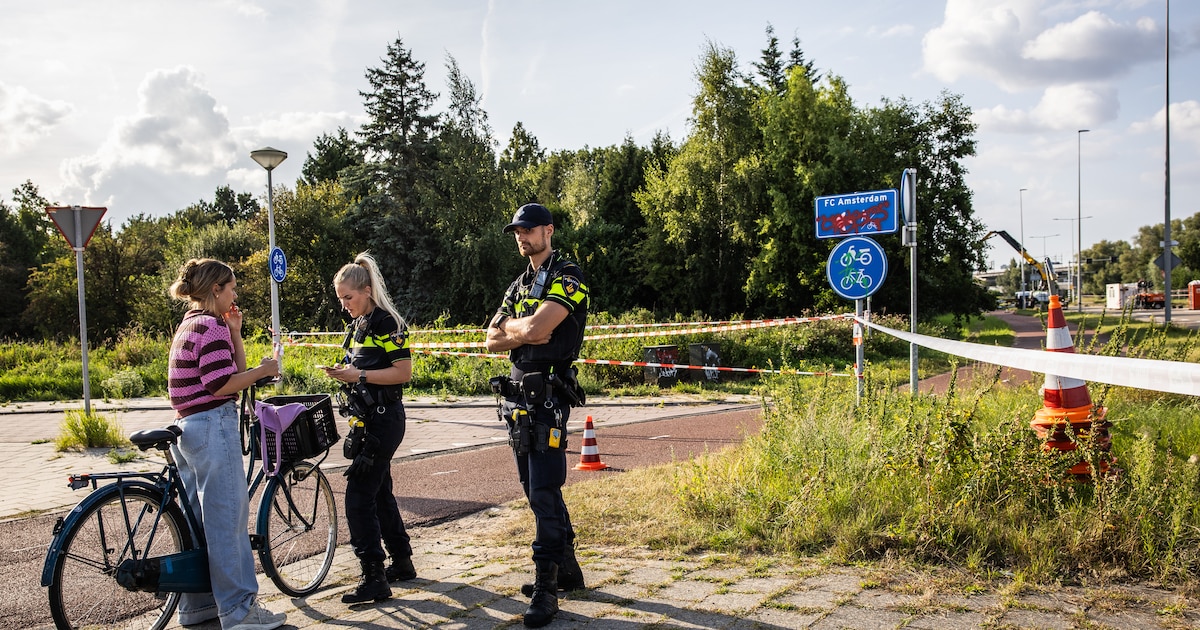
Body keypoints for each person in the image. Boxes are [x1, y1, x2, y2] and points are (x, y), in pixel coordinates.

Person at [166, 259, 286, 630]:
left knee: (196, 522)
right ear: (216, 289)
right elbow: (222, 386)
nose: (235, 294)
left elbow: (231, 372)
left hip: (186, 429)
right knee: (228, 520)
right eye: (231, 287)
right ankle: (238, 610)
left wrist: (235, 331)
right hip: (212, 426)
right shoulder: (209, 326)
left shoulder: (191, 324)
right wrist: (267, 370)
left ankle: (198, 607)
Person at [485, 202, 589, 628]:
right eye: (516, 231)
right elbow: (491, 338)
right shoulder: (520, 283)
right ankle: (567, 568)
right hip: (516, 401)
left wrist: (518, 327)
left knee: (544, 490)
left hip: (547, 397)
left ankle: (547, 587)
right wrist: (520, 326)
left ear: (549, 230)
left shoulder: (569, 276)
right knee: (533, 488)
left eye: (529, 230)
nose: (522, 237)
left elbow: (539, 330)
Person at [322, 252, 416, 605]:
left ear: (366, 290)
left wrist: (358, 374)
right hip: (367, 420)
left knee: (358, 497)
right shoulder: (358, 324)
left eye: (348, 297)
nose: (344, 305)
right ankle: (402, 562)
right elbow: (358, 363)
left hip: (384, 419)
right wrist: (342, 370)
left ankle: (373, 575)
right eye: (340, 299)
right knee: (379, 493)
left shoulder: (386, 322)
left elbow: (403, 372)